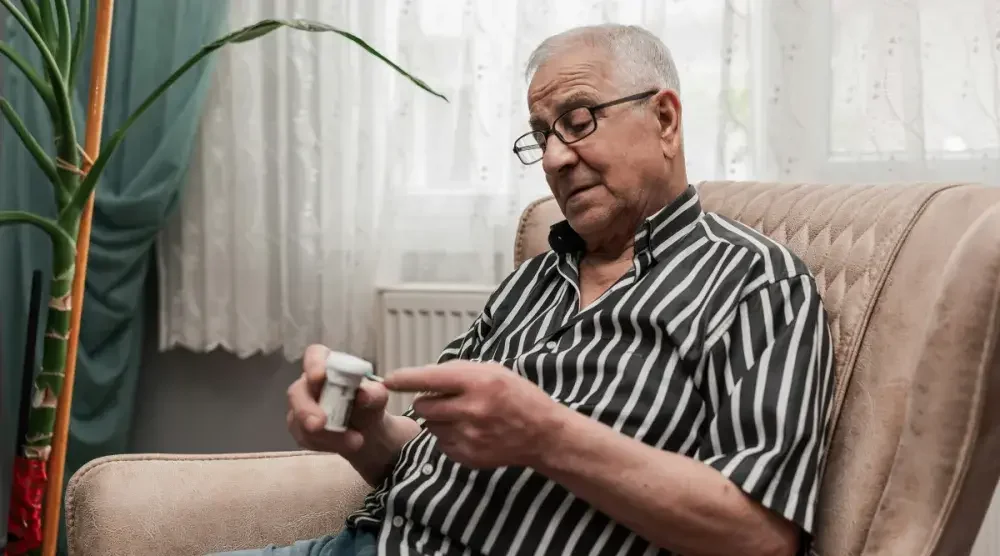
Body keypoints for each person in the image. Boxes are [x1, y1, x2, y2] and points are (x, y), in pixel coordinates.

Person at [215, 23, 835, 556]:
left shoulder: (755, 283)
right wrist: (367, 430)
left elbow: (762, 535)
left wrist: (548, 435)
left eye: (578, 121)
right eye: (541, 135)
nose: (554, 158)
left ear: (665, 119)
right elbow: (424, 454)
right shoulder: (530, 280)